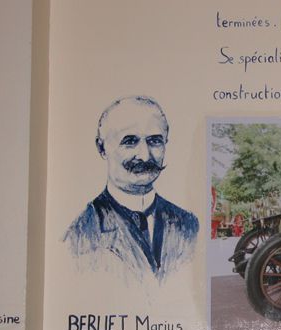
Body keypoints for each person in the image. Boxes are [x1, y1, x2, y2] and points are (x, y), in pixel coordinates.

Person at [64, 96, 198, 281]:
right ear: (101, 148)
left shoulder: (189, 224)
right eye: (129, 141)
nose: (144, 156)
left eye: (154, 141)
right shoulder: (80, 234)